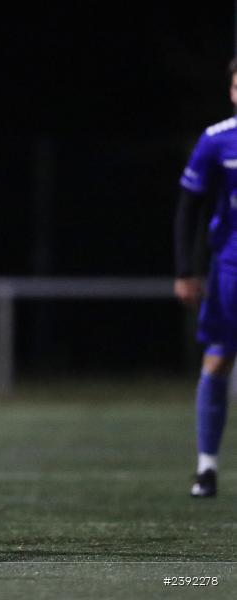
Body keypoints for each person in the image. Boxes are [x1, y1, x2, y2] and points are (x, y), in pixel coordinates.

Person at [174, 58, 237, 498]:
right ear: (232, 91)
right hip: (231, 267)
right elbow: (189, 206)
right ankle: (207, 468)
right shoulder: (217, 141)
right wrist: (186, 269)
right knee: (218, 359)